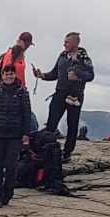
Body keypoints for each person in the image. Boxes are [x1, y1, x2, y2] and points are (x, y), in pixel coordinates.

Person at [33, 32, 93, 161]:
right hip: (60, 93)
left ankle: (67, 152)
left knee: (72, 124)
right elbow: (55, 73)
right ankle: (47, 149)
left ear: (75, 43)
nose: (64, 44)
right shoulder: (62, 56)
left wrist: (77, 76)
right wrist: (42, 75)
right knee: (51, 123)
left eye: (67, 42)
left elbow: (91, 75)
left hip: (75, 96)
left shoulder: (84, 58)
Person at [0, 63, 31, 208]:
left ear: (15, 75)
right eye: (6, 74)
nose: (9, 76)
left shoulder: (22, 93)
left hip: (15, 136)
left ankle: (7, 194)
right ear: (2, 76)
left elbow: (26, 114)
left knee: (11, 167)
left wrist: (26, 133)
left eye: (11, 74)